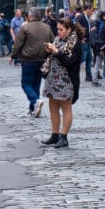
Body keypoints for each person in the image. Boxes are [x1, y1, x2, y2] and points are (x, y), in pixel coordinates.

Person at [40, 17, 82, 148]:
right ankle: (54, 134)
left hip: (66, 80)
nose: (58, 32)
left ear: (69, 30)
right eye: (57, 29)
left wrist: (56, 52)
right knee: (52, 106)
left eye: (61, 29)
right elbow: (53, 56)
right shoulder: (58, 39)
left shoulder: (75, 43)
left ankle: (64, 137)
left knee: (66, 107)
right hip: (53, 78)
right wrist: (48, 51)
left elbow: (70, 62)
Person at [9, 7, 54, 117]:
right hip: (42, 59)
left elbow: (18, 44)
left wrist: (12, 56)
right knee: (36, 85)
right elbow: (53, 41)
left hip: (28, 59)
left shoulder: (25, 27)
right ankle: (33, 108)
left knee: (26, 84)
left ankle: (35, 101)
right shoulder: (47, 27)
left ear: (30, 16)